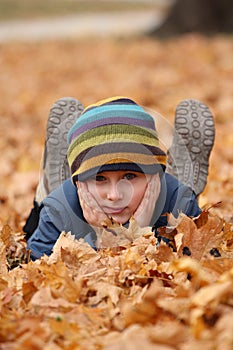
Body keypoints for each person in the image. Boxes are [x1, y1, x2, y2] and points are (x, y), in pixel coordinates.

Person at [24, 96, 215, 260]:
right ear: (80, 183)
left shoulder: (180, 202)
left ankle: (179, 173)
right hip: (66, 204)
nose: (114, 195)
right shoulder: (58, 210)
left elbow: (204, 260)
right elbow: (37, 265)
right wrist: (99, 237)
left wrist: (139, 234)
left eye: (129, 176)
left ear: (153, 175)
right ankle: (54, 181)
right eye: (100, 178)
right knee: (52, 204)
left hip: (169, 197)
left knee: (180, 204)